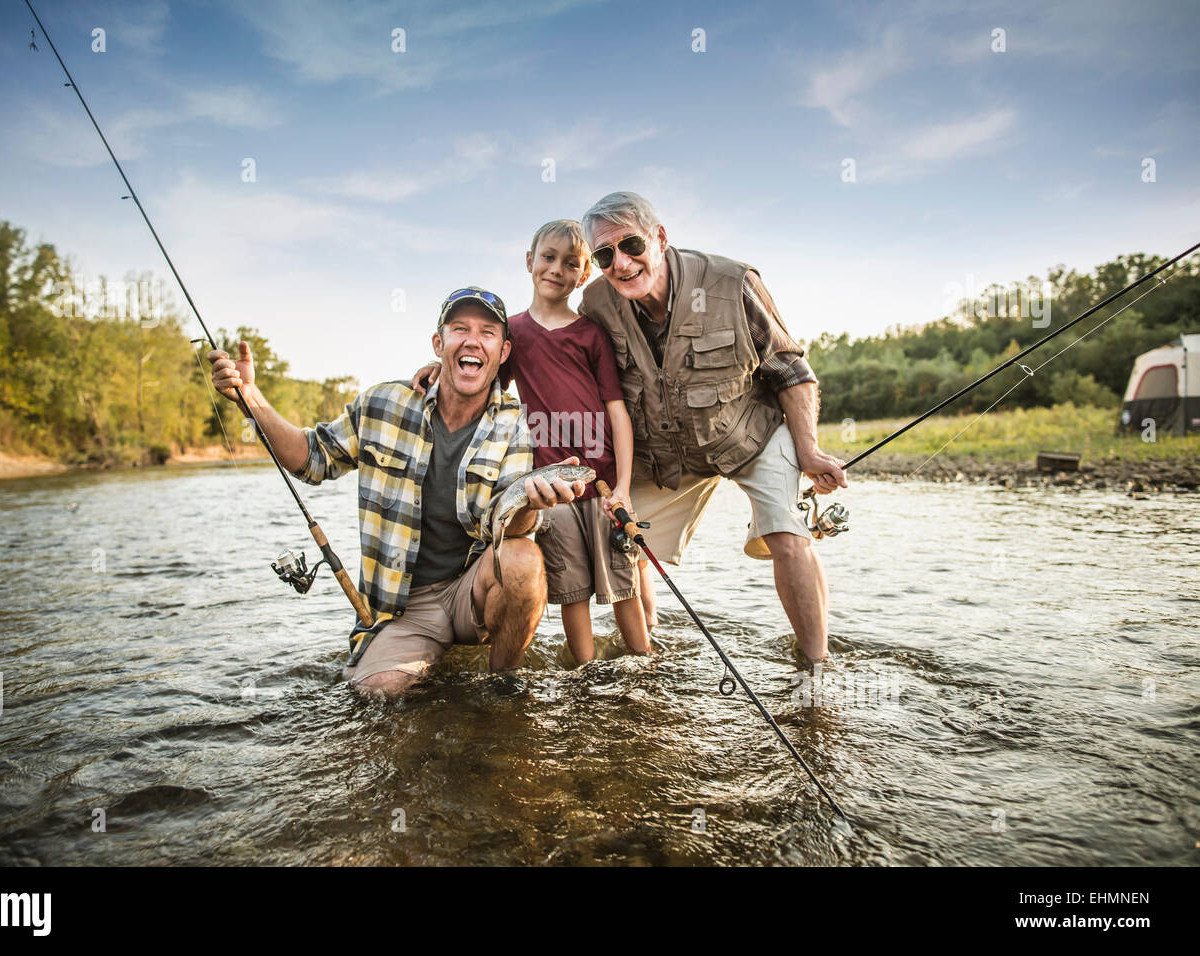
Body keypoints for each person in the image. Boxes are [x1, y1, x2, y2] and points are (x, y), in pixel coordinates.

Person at [208, 288, 588, 696]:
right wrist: (251, 399)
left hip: (470, 592)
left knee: (524, 560)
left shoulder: (515, 425)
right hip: (402, 608)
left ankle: (501, 687)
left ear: (503, 350)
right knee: (378, 693)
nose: (473, 340)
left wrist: (531, 503)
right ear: (439, 344)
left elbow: (508, 528)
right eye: (460, 328)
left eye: (487, 332)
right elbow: (311, 458)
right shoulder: (382, 402)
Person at [578, 191, 848, 662]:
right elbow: (552, 352)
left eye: (631, 246)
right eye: (604, 255)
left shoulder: (732, 282)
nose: (621, 264)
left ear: (659, 238)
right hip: (660, 455)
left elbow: (791, 372)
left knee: (787, 534)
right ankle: (648, 660)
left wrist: (809, 450)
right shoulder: (595, 303)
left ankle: (817, 665)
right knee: (624, 540)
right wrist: (454, 368)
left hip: (751, 436)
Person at [412, 221, 648, 664]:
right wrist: (436, 366)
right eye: (548, 257)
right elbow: (476, 377)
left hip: (602, 485)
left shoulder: (591, 333)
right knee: (571, 590)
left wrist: (624, 486)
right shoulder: (512, 335)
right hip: (548, 492)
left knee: (625, 585)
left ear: (584, 276)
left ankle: (643, 667)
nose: (556, 269)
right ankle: (583, 673)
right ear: (529, 261)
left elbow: (618, 410)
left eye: (571, 263)